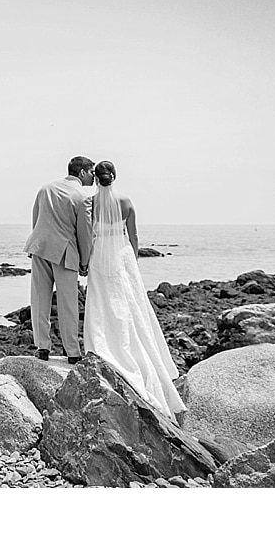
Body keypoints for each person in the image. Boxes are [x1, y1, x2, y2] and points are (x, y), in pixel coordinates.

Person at [82, 160, 187, 421]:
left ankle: (103, 345)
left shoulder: (90, 204)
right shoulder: (127, 203)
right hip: (122, 255)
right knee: (131, 305)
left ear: (96, 179)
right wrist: (134, 260)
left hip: (99, 256)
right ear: (114, 177)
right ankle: (138, 351)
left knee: (102, 302)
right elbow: (134, 236)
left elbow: (86, 235)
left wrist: (85, 259)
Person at [22, 156, 95, 363]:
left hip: (40, 247)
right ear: (82, 172)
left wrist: (35, 242)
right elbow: (84, 232)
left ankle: (42, 348)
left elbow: (36, 218)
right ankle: (72, 352)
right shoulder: (83, 197)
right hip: (65, 252)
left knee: (39, 300)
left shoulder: (45, 188)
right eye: (91, 172)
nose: (93, 177)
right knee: (68, 304)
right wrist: (85, 260)